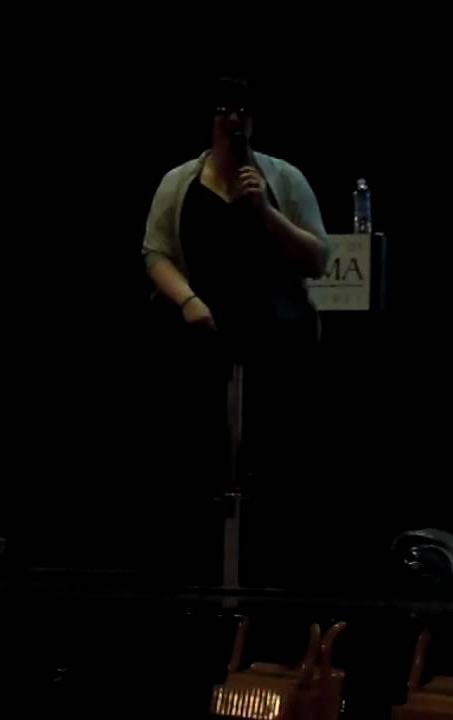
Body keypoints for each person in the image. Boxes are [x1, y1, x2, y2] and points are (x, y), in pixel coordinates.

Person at [141, 75, 331, 586]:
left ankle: (271, 582)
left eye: (242, 110)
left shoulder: (283, 178)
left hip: (274, 340)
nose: (233, 120)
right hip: (201, 333)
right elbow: (156, 253)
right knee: (196, 462)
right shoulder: (179, 181)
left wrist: (265, 211)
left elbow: (317, 258)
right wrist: (188, 301)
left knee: (273, 465)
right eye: (223, 110)